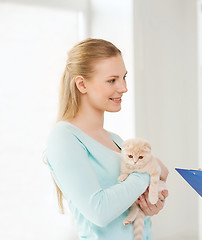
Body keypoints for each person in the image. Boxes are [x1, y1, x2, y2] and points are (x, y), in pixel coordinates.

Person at [45, 38, 169, 240]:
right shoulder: (64, 137)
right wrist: (148, 171)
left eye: (124, 77)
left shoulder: (116, 140)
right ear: (82, 84)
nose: (123, 88)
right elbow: (99, 211)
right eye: (112, 80)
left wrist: (149, 204)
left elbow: (124, 205)